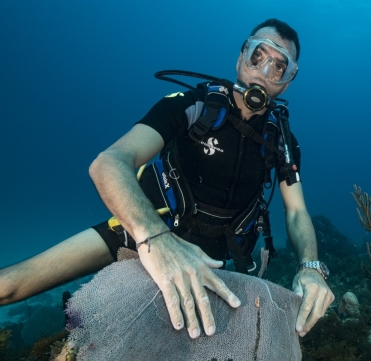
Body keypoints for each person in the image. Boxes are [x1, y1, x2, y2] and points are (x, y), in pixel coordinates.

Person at [0, 19, 334, 339]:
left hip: (218, 264)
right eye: (257, 55)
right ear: (240, 59)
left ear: (287, 82)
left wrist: (311, 266)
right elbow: (110, 162)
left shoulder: (283, 141)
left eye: (279, 66)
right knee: (12, 285)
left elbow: (296, 211)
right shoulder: (191, 106)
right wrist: (156, 239)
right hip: (143, 232)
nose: (263, 72)